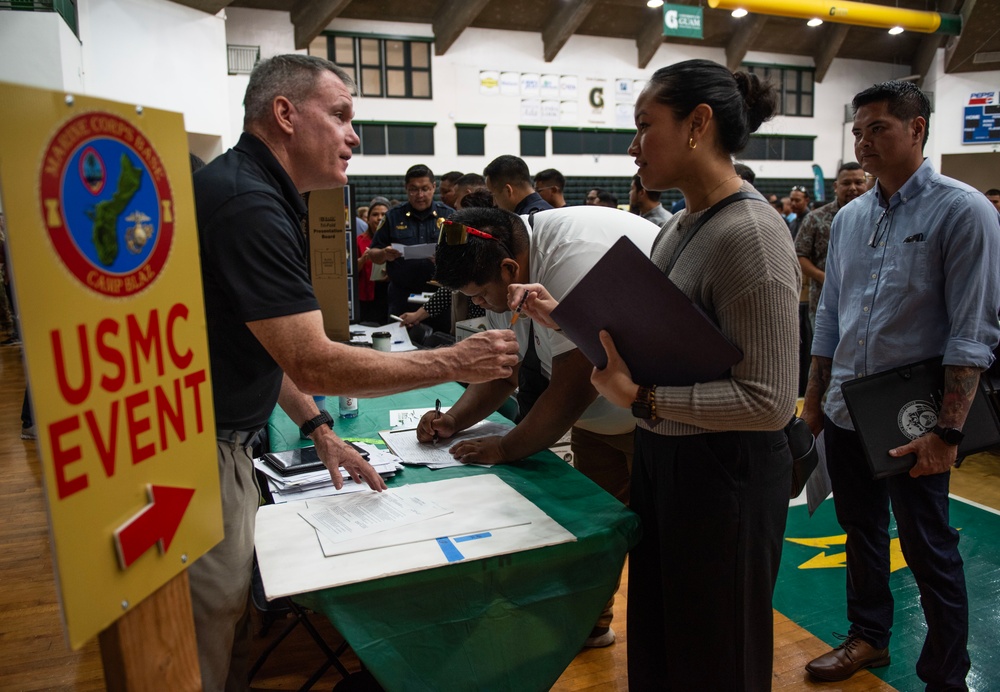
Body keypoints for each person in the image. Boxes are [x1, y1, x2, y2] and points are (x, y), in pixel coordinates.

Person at [191, 54, 519, 692]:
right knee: (205, 640)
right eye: (340, 115)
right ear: (284, 115)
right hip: (206, 450)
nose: (354, 135)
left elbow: (266, 346)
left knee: (227, 625)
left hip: (220, 439)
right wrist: (455, 359)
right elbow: (310, 357)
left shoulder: (253, 190)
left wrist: (318, 426)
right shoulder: (250, 204)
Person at [508, 58, 800, 690]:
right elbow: (657, 337)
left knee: (716, 652)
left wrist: (643, 400)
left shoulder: (752, 233)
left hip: (727, 476)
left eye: (645, 126)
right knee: (664, 640)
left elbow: (771, 401)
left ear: (698, 124)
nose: (634, 146)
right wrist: (566, 319)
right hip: (669, 464)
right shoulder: (681, 226)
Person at [803, 80, 1000, 689]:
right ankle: (868, 638)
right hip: (846, 409)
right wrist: (814, 404)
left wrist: (947, 431)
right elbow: (831, 315)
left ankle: (945, 672)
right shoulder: (852, 217)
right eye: (858, 131)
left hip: (914, 415)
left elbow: (972, 333)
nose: (863, 143)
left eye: (878, 129)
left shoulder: (963, 210)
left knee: (929, 546)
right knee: (860, 530)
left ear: (917, 129)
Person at [420, 204, 660, 647]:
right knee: (595, 528)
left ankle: (664, 645)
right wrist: (453, 420)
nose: (477, 305)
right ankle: (591, 621)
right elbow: (502, 372)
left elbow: (574, 388)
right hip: (605, 419)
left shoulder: (573, 259)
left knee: (660, 542)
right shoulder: (500, 268)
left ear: (510, 269)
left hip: (659, 418)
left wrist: (506, 447)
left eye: (478, 295)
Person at [367, 164, 454, 319]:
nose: (420, 195)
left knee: (441, 341)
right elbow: (373, 254)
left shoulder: (449, 216)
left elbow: (461, 255)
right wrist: (384, 254)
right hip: (402, 295)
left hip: (439, 296)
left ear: (434, 187)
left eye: (425, 188)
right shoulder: (393, 216)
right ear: (406, 188)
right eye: (414, 189)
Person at [794, 162, 867, 325]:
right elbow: (799, 255)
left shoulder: (879, 216)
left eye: (859, 182)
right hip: (825, 303)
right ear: (836, 186)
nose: (853, 188)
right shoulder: (816, 218)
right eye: (846, 183)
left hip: (865, 306)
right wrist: (824, 277)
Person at [356, 196, 391, 324]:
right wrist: (363, 259)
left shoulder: (396, 238)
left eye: (384, 214)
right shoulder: (360, 240)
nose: (379, 218)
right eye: (375, 214)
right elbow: (351, 271)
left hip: (389, 294)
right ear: (368, 218)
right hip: (366, 296)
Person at [484, 155, 553, 215]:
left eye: (494, 195)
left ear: (508, 190)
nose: (494, 203)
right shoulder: (550, 211)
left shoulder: (525, 221)